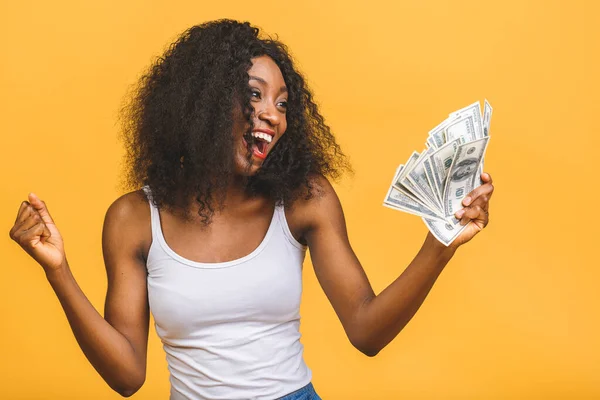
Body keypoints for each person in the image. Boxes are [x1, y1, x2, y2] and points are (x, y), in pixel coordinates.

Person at [8, 19, 495, 400]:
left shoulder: (304, 200)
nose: (272, 115)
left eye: (283, 104)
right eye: (255, 95)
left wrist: (441, 244)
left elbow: (366, 330)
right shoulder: (134, 218)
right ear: (203, 104)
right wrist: (59, 272)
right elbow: (128, 375)